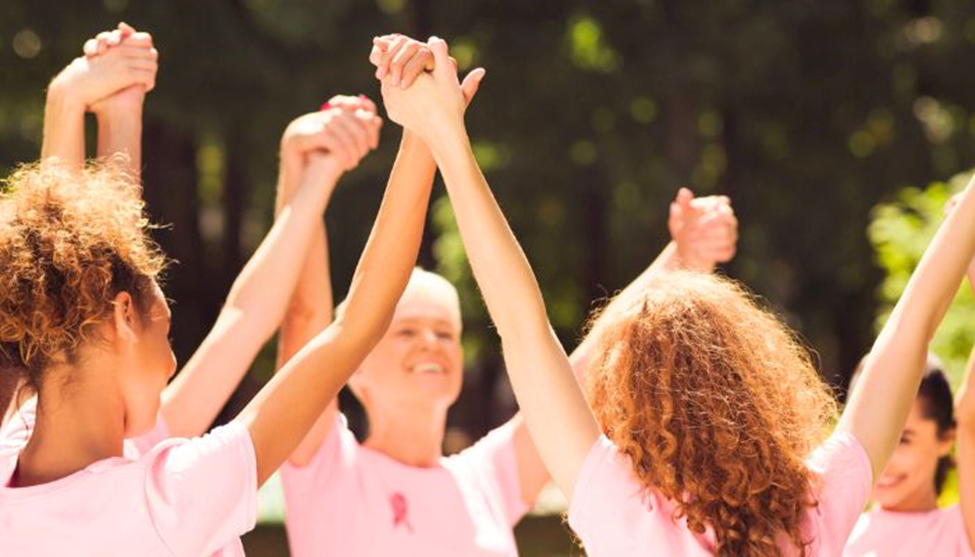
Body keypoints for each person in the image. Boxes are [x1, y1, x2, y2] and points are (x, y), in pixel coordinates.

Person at [376, 33, 975, 556]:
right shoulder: (818, 506)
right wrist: (964, 219)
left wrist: (448, 139)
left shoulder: (623, 512)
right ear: (756, 382)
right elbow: (911, 327)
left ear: (625, 404)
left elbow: (522, 324)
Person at [276, 35, 738, 557]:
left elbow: (578, 374)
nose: (431, 343)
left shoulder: (485, 479)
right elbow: (304, 319)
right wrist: (302, 170)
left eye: (445, 332)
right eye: (405, 331)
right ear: (351, 365)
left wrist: (681, 258)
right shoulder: (323, 466)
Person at [0, 35, 431, 557]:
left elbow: (73, 270)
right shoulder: (168, 502)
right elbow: (354, 325)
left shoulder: (18, 452)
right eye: (167, 332)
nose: (172, 361)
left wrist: (106, 107)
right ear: (123, 317)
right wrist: (429, 128)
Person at [843, 194, 975, 556]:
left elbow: (972, 418)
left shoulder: (961, 530)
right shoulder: (834, 531)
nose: (883, 455)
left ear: (945, 437)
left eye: (903, 439)